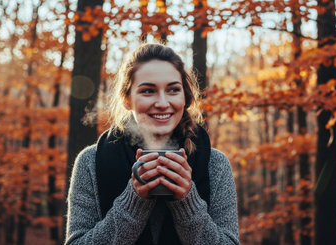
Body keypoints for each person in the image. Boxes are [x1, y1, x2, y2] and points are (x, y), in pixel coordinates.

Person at [65, 43, 239, 245]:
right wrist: (134, 200)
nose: (163, 103)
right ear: (126, 99)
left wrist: (187, 202)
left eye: (173, 89)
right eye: (148, 91)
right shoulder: (91, 162)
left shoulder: (214, 164)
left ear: (186, 97)